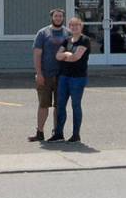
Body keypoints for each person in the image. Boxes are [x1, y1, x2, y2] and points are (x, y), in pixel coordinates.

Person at [51, 16, 90, 143]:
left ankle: (75, 135)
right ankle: (58, 134)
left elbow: (76, 58)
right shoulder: (67, 40)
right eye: (72, 25)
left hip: (78, 78)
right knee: (60, 105)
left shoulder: (85, 40)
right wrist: (67, 54)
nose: (74, 27)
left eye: (77, 25)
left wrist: (66, 56)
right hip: (64, 77)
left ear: (81, 26)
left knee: (75, 105)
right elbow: (57, 56)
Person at [31, 8, 67, 142]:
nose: (58, 18)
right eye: (56, 16)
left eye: (60, 16)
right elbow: (37, 54)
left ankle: (57, 132)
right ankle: (39, 132)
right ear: (52, 17)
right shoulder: (43, 33)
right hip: (45, 75)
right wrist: (39, 73)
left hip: (62, 76)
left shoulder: (67, 33)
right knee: (43, 104)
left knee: (59, 105)